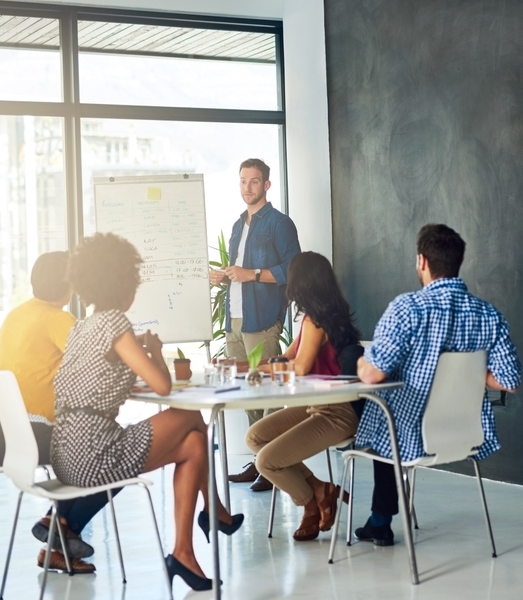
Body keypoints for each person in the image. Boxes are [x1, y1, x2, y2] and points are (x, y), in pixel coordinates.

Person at [51, 233, 242, 592]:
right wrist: (154, 349)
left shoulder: (81, 328)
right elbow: (163, 387)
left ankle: (185, 552)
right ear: (125, 284)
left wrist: (138, 348)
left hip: (66, 450)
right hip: (96, 452)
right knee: (189, 416)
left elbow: (99, 367)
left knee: (193, 447)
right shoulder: (116, 324)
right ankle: (213, 510)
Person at [355, 224, 522, 545]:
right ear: (457, 263)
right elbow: (508, 381)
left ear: (422, 261)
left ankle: (379, 521)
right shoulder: (489, 315)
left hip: (409, 438)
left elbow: (373, 375)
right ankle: (378, 521)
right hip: (465, 435)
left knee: (382, 405)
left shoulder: (407, 308)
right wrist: (470, 371)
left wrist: (362, 361)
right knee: (390, 407)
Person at [0, 251, 108, 574]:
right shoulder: (58, 319)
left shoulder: (16, 315)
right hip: (26, 437)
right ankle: (60, 528)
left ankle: (57, 533)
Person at [244, 251, 364, 541]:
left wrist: (274, 368)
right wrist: (250, 366)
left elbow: (299, 367)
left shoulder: (316, 321)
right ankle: (321, 491)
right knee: (255, 437)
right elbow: (286, 357)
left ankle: (310, 503)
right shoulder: (316, 318)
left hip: (337, 412)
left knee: (266, 462)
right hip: (316, 405)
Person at [209, 158, 301, 492]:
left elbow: (293, 268)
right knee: (249, 393)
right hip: (235, 319)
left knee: (268, 393)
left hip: (261, 320)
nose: (248, 187)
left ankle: (273, 464)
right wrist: (225, 274)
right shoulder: (237, 225)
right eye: (243, 181)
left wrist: (253, 275)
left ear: (266, 185)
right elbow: (241, 269)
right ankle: (259, 459)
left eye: (254, 181)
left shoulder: (279, 223)